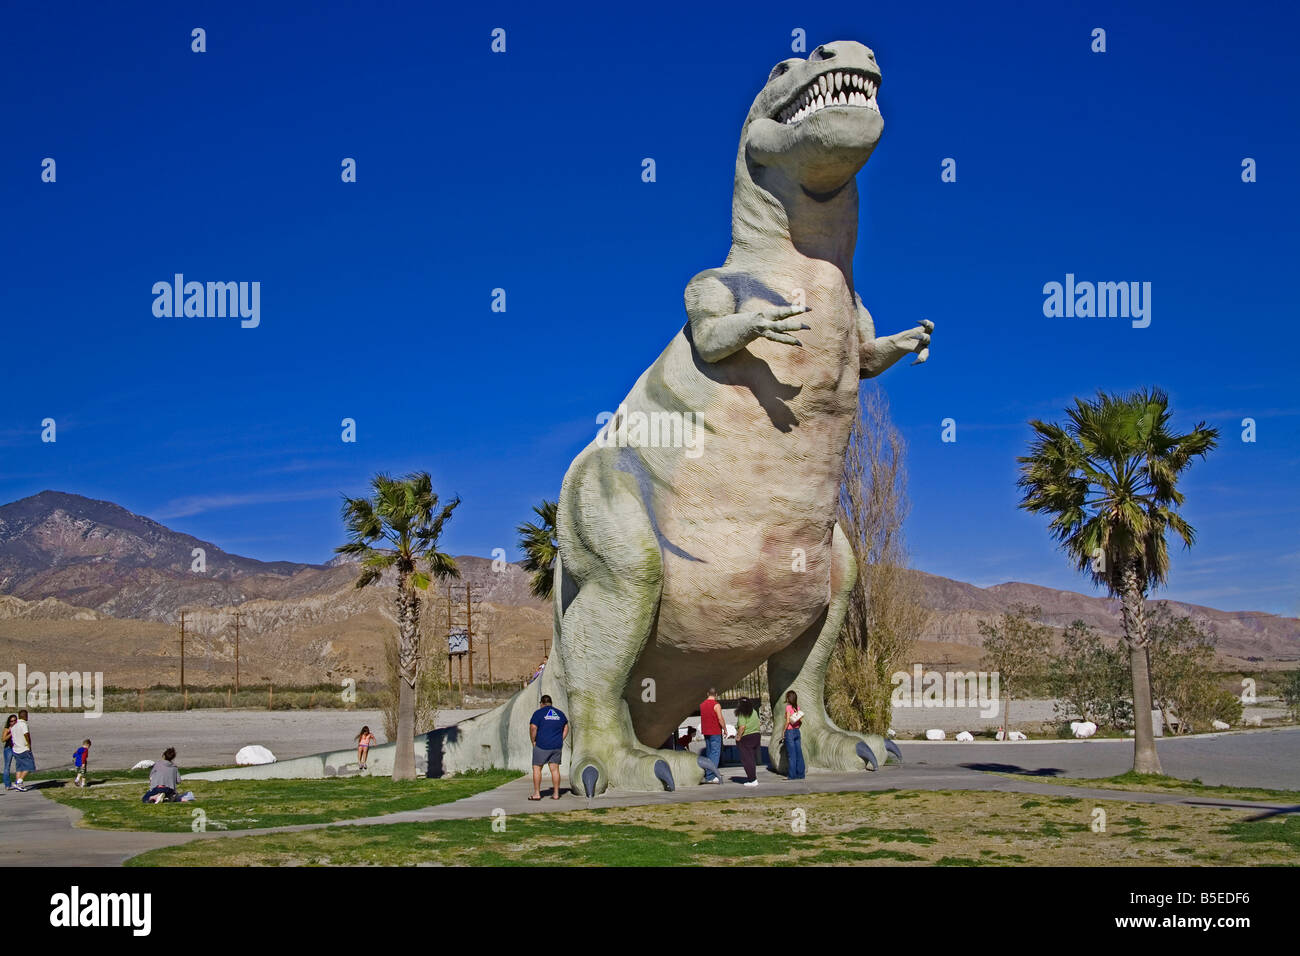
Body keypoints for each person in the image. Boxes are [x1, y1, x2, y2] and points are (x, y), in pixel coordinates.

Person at [528, 694, 568, 800]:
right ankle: (556, 794)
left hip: (541, 745)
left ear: (541, 703)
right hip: (556, 746)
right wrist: (560, 738)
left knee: (537, 769)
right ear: (551, 703)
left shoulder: (538, 713)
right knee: (555, 770)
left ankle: (537, 794)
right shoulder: (560, 713)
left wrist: (533, 741)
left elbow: (533, 727)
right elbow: (566, 727)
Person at [734, 698, 762, 786]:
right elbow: (758, 723)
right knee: (751, 759)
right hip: (756, 735)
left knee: (747, 759)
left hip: (746, 737)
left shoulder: (742, 713)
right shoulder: (754, 711)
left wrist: (738, 737)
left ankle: (752, 779)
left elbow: (742, 727)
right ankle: (753, 778)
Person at [699, 688, 724, 783]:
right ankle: (711, 776)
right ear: (716, 694)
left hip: (706, 732)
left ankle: (708, 773)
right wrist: (725, 729)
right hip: (715, 731)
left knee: (709, 753)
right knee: (715, 753)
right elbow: (720, 718)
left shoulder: (702, 705)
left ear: (707, 694)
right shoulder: (716, 705)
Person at [779, 690, 806, 780]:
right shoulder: (797, 708)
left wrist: (783, 731)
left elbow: (787, 721)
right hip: (797, 731)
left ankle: (791, 775)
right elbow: (801, 720)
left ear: (788, 698)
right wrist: (797, 726)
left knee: (792, 755)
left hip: (790, 732)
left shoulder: (788, 708)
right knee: (799, 753)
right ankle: (801, 774)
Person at [9, 710, 34, 791]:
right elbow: (26, 734)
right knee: (30, 765)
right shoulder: (23, 724)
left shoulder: (14, 726)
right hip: (23, 748)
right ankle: (19, 781)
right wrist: (29, 744)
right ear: (24, 716)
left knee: (19, 767)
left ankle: (18, 783)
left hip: (16, 749)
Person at [2, 715, 16, 792]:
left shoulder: (18, 728)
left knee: (20, 765)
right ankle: (7, 785)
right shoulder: (7, 729)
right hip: (9, 748)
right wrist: (10, 733)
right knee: (7, 766)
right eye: (11, 721)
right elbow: (3, 739)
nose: (13, 723)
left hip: (17, 748)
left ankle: (18, 782)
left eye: (14, 721)